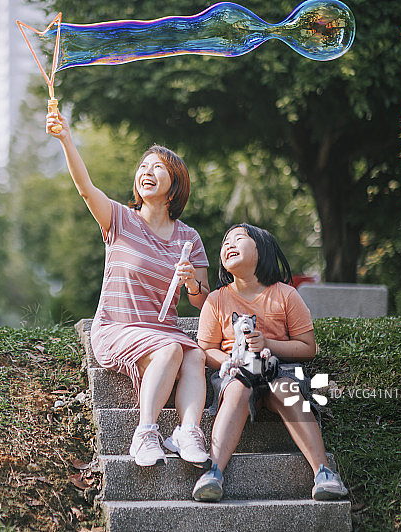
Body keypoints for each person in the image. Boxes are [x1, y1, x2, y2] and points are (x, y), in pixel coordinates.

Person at [46, 109, 211, 468]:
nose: (146, 172)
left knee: (195, 355)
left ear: (175, 185)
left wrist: (190, 281)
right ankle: (145, 433)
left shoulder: (189, 238)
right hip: (117, 327)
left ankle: (187, 431)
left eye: (157, 168)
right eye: (143, 167)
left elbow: (202, 301)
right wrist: (65, 139)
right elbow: (86, 189)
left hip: (161, 330)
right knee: (170, 350)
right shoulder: (120, 219)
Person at [193, 223, 348, 501]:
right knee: (238, 390)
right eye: (225, 242)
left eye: (238, 239)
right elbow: (205, 350)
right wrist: (230, 361)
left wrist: (268, 344)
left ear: (261, 249)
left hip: (279, 369)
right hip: (237, 373)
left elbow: (308, 347)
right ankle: (213, 471)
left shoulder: (286, 294)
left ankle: (324, 471)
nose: (228, 245)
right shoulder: (216, 300)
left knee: (286, 391)